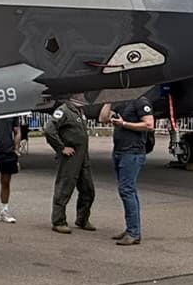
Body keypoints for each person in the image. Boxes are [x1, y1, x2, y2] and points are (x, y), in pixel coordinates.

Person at [99, 92, 155, 245]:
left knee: (127, 190)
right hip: (120, 152)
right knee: (127, 191)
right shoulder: (121, 103)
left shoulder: (140, 102)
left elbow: (149, 124)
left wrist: (124, 124)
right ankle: (131, 228)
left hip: (133, 153)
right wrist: (108, 100)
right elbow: (103, 118)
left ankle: (133, 232)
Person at [42, 95, 95, 234]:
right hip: (70, 158)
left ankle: (82, 219)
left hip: (83, 158)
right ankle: (58, 221)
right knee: (64, 189)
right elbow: (49, 130)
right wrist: (61, 148)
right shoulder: (63, 110)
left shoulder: (79, 111)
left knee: (88, 190)